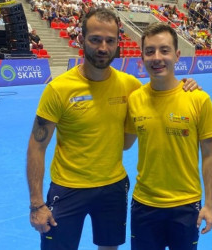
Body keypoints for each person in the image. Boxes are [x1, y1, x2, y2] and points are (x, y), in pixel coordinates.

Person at [26, 8, 198, 250]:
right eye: (95, 39)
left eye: (110, 40)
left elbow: (159, 95)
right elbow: (37, 146)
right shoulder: (58, 89)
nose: (103, 47)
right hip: (67, 189)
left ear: (118, 43)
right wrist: (36, 203)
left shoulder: (130, 86)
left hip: (112, 188)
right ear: (81, 39)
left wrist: (187, 85)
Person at [126, 22, 212, 250]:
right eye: (150, 51)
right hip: (144, 205)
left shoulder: (199, 99)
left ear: (177, 55)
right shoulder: (134, 99)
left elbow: (209, 155)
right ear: (142, 57)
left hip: (186, 206)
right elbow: (123, 143)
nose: (157, 57)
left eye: (164, 50)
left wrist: (209, 204)